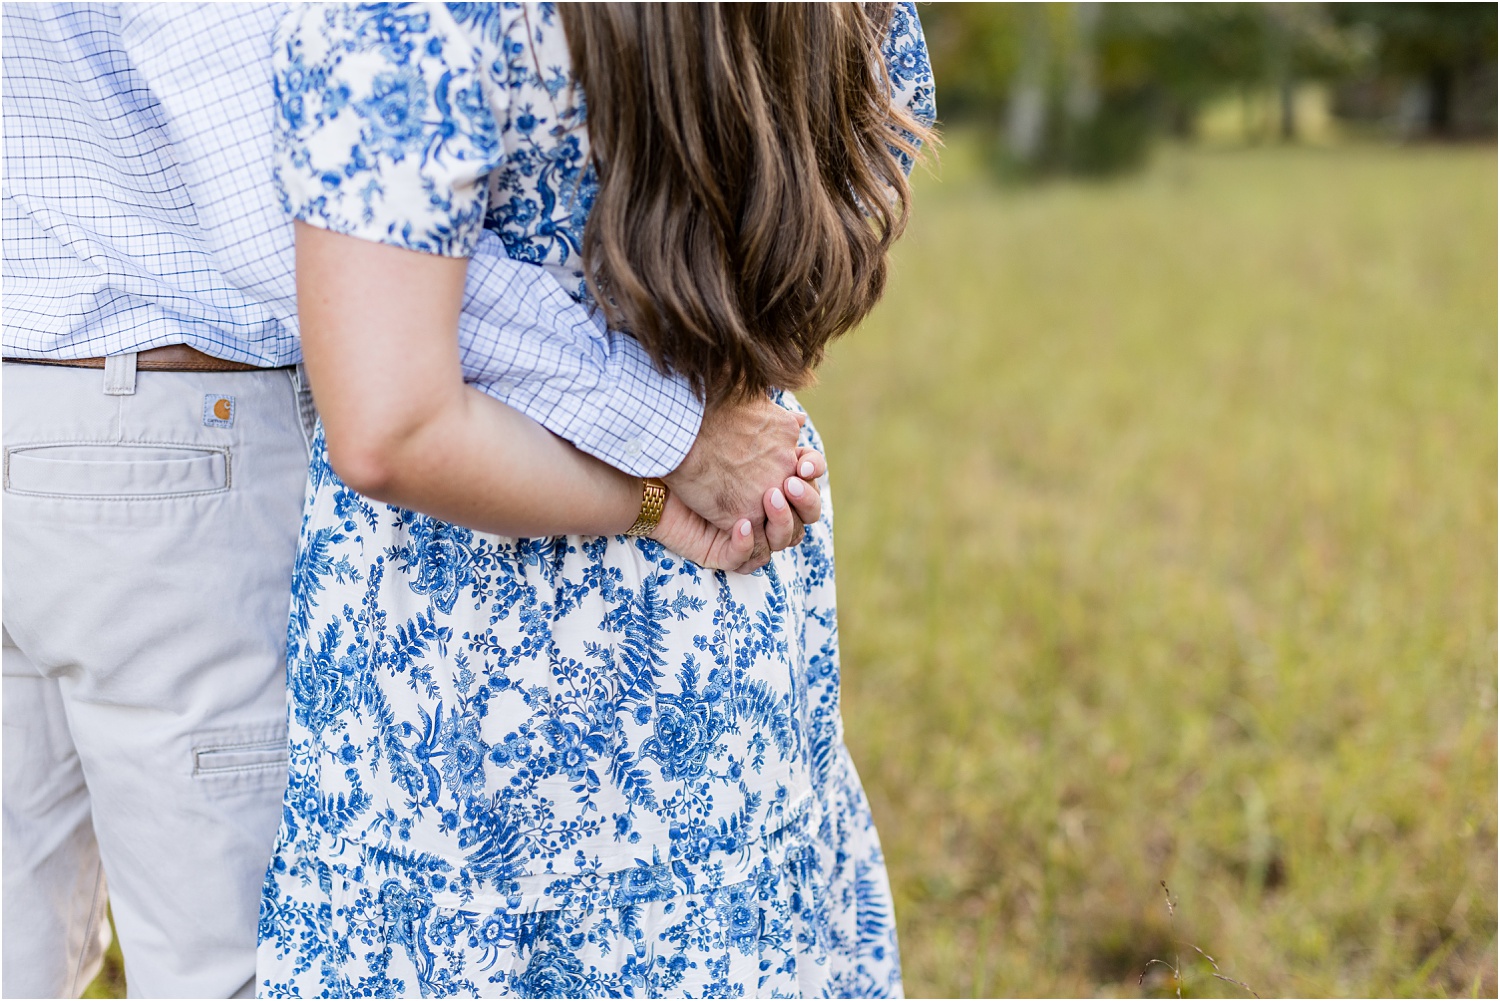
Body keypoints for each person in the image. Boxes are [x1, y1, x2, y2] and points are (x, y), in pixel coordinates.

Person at [1, 4, 822, 997]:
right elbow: (321, 247)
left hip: (66, 414)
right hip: (174, 445)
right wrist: (665, 427)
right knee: (224, 963)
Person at [256, 2, 934, 997]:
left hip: (453, 682)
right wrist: (688, 427)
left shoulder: (413, 19)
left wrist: (654, 492)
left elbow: (391, 422)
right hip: (725, 618)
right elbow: (848, 220)